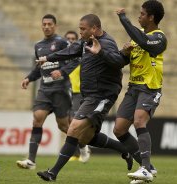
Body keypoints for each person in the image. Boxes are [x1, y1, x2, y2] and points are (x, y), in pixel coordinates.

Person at [36, 14, 133, 182]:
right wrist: (47, 58)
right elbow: (68, 52)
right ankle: (124, 149)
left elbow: (118, 62)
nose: (80, 32)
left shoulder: (106, 43)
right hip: (89, 96)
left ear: (94, 29)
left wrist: (104, 52)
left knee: (73, 128)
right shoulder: (85, 42)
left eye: (83, 29)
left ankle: (53, 173)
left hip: (101, 96)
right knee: (86, 137)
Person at [17, 14, 79, 170]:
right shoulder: (38, 45)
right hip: (45, 89)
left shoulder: (62, 42)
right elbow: (40, 68)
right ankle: (31, 160)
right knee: (37, 118)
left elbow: (76, 60)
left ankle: (81, 145)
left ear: (55, 26)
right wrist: (28, 78)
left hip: (61, 89)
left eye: (49, 24)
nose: (46, 26)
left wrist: (62, 72)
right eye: (44, 24)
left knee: (64, 126)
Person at [114, 1, 167, 183]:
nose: (140, 16)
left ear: (151, 17)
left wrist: (124, 19)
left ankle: (144, 168)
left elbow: (147, 43)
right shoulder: (137, 39)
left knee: (139, 121)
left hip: (150, 88)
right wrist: (124, 52)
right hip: (133, 88)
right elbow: (120, 62)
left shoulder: (159, 38)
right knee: (119, 129)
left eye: (142, 14)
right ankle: (148, 168)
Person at [64, 30, 91, 163]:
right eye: (68, 38)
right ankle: (81, 147)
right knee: (67, 123)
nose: (70, 40)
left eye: (73, 39)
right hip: (66, 91)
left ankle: (79, 150)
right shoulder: (65, 56)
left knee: (73, 121)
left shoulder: (82, 55)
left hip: (79, 92)